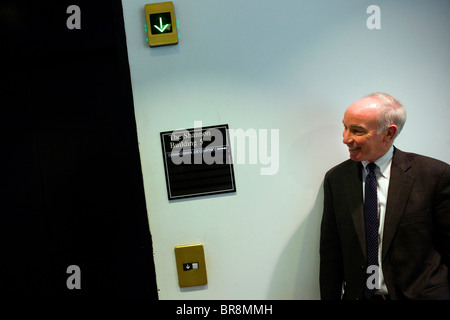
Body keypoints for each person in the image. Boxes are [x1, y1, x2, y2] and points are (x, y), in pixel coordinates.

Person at [319, 92, 450, 300]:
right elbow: (330, 252)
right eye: (344, 127)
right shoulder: (337, 179)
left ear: (388, 133)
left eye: (357, 131)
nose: (345, 139)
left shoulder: (434, 175)